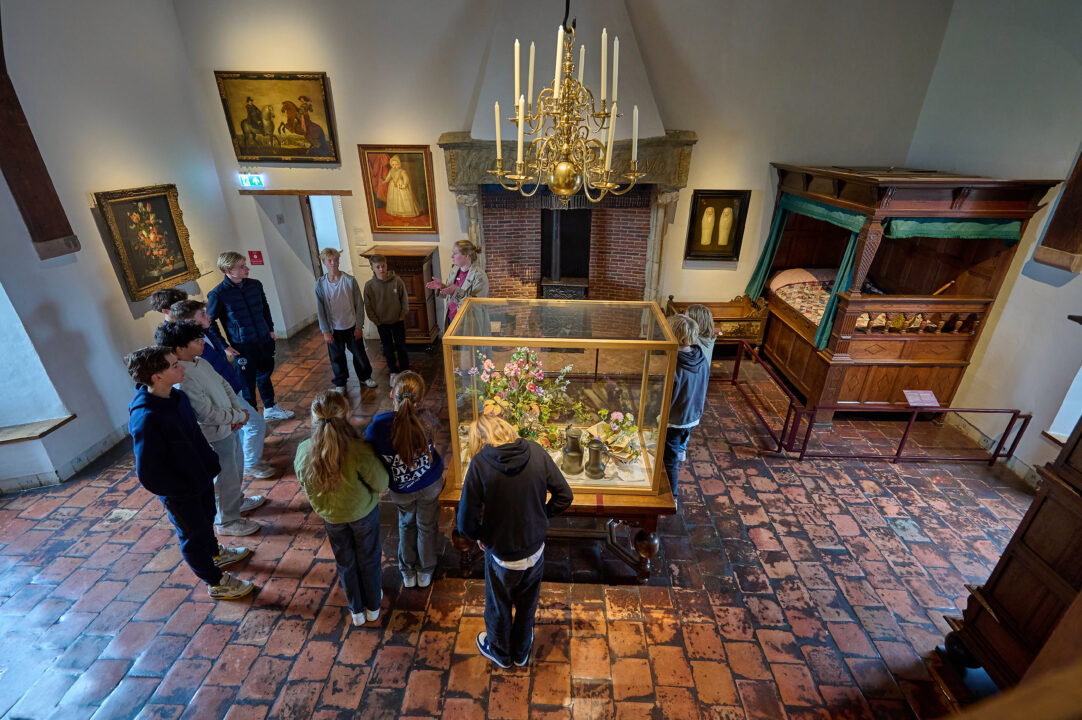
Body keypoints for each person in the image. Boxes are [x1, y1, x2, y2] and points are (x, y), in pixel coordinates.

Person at [125, 345, 255, 600]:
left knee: (206, 519)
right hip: (181, 491)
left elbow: (194, 434)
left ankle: (215, 553)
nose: (181, 368)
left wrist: (208, 465)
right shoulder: (147, 417)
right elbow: (148, 473)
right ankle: (215, 581)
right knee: (192, 535)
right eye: (174, 365)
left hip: (200, 477)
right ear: (157, 377)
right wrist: (181, 490)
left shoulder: (177, 397)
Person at [457, 414, 574, 669]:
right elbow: (565, 495)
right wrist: (541, 516)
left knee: (498, 606)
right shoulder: (536, 451)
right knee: (527, 603)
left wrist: (482, 536)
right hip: (535, 548)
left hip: (502, 554)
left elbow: (464, 523)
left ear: (480, 440)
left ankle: (501, 653)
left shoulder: (479, 464)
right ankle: (521, 652)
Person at [156, 321, 265, 537]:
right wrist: (236, 416)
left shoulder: (201, 362)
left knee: (235, 471)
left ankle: (236, 502)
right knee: (224, 478)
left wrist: (238, 412)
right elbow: (205, 414)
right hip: (215, 435)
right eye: (196, 340)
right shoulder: (183, 377)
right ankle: (227, 521)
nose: (202, 342)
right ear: (180, 348)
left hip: (230, 425)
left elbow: (224, 385)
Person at [294, 390, 389, 626]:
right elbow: (381, 483)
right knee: (369, 557)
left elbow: (304, 484)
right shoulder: (358, 449)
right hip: (363, 514)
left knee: (345, 561)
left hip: (332, 518)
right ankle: (373, 606)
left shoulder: (304, 450)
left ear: (314, 418)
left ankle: (356, 610)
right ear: (345, 414)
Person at [169, 299, 275, 479]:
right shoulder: (192, 351)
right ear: (188, 321)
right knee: (255, 424)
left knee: (244, 426)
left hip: (231, 387)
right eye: (202, 314)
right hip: (223, 394)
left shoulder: (206, 333)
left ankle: (245, 459)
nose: (208, 316)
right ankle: (251, 463)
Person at [365, 371, 445, 589]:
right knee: (426, 525)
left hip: (401, 488)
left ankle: (408, 571)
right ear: (421, 399)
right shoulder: (428, 420)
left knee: (406, 523)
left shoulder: (377, 427)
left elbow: (372, 452)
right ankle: (425, 570)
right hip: (429, 483)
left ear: (392, 394)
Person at [207, 251, 294, 421]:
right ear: (228, 271)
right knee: (247, 384)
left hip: (264, 341)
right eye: (241, 267)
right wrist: (224, 346)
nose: (247, 269)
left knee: (265, 376)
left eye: (245, 265)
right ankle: (253, 418)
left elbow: (264, 307)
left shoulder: (255, 285)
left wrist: (270, 329)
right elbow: (209, 322)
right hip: (242, 347)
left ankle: (270, 408)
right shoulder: (218, 294)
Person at [663, 314, 710, 509]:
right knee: (680, 442)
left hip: (675, 420)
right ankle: (681, 449)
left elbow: (669, 395)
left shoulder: (675, 362)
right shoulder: (700, 357)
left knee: (669, 459)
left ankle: (672, 497)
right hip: (693, 415)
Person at [315, 248, 377, 393]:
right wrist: (325, 331)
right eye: (330, 260)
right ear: (324, 262)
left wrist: (359, 326)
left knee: (359, 353)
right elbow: (320, 310)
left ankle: (365, 376)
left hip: (351, 326)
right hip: (334, 329)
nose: (333, 263)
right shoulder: (320, 284)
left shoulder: (349, 280)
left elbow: (359, 304)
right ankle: (341, 382)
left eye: (336, 260)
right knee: (337, 357)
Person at [363, 254, 410, 381]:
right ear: (372, 268)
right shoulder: (369, 286)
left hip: (398, 320)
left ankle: (405, 370)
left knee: (401, 347)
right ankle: (393, 371)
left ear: (386, 265)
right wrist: (376, 321)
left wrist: (402, 315)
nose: (381, 269)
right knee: (388, 348)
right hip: (382, 323)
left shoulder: (397, 281)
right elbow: (368, 306)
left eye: (383, 266)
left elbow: (404, 299)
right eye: (377, 267)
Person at [426, 240, 489, 327]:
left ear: (466, 256)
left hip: (468, 322)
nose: (452, 256)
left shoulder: (479, 276)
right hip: (451, 316)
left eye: (455, 253)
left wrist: (455, 291)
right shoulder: (454, 269)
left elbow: (475, 304)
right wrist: (442, 287)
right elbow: (450, 294)